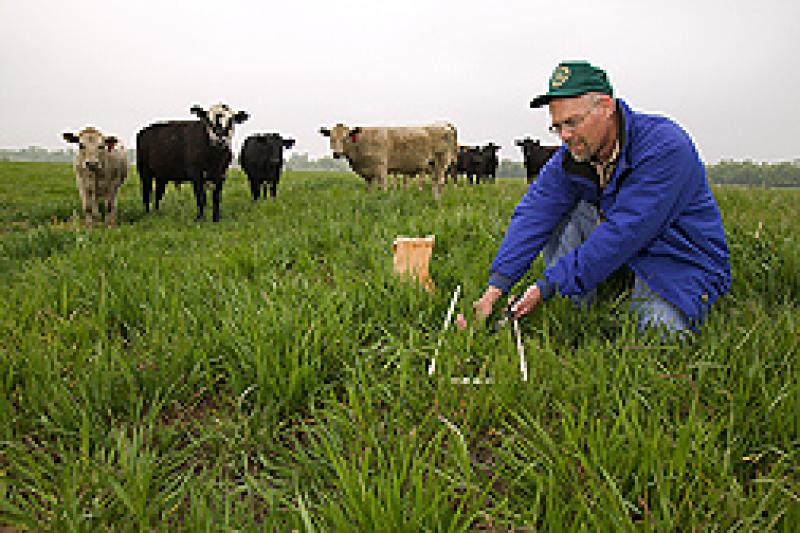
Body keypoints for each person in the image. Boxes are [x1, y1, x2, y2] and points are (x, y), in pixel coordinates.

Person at [472, 60, 730, 333]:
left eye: (572, 122)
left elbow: (625, 231)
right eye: (557, 127)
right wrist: (496, 287)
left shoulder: (664, 147)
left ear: (606, 107)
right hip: (622, 249)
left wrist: (545, 286)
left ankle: (584, 287)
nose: (564, 136)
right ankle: (574, 301)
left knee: (657, 333)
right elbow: (534, 212)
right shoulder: (573, 156)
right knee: (553, 211)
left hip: (675, 255)